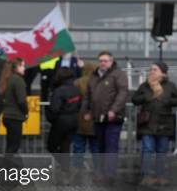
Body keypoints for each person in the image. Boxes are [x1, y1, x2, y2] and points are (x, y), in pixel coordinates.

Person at [82, 51, 128, 183]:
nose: (102, 63)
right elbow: (88, 95)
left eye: (105, 60)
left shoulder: (118, 74)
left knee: (111, 145)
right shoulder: (94, 75)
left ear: (111, 61)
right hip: (98, 117)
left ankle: (109, 175)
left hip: (114, 118)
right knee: (100, 146)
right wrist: (86, 111)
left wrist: (114, 110)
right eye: (101, 60)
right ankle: (101, 173)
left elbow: (122, 93)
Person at [132, 62, 177, 186]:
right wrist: (148, 96)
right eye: (151, 69)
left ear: (162, 72)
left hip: (164, 123)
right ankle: (146, 176)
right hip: (147, 123)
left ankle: (160, 176)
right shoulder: (144, 86)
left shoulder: (170, 86)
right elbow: (134, 100)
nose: (151, 71)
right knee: (147, 149)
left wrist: (165, 99)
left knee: (162, 151)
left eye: (155, 69)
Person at [46, 68, 81, 172]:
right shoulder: (76, 89)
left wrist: (51, 118)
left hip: (60, 122)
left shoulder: (59, 91)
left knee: (51, 145)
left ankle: (64, 165)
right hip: (74, 121)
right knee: (65, 146)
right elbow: (80, 105)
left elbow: (54, 109)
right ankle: (66, 169)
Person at [72, 62, 99, 170]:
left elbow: (73, 101)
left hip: (79, 120)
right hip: (95, 121)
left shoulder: (77, 82)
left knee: (78, 147)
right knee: (96, 148)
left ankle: (77, 168)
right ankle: (98, 169)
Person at [0, 58, 28, 154]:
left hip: (7, 116)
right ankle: (6, 167)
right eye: (22, 66)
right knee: (14, 147)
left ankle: (12, 167)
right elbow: (21, 100)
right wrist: (26, 112)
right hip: (15, 117)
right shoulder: (18, 80)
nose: (24, 68)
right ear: (17, 67)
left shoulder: (6, 78)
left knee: (10, 145)